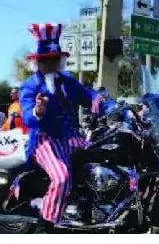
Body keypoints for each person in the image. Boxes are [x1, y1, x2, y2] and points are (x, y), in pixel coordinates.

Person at [19, 23, 102, 229]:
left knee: (102, 158)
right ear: (38, 61)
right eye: (46, 60)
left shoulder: (67, 82)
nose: (51, 63)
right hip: (45, 139)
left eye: (55, 59)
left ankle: (92, 209)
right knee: (62, 177)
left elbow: (87, 95)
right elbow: (28, 116)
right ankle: (46, 225)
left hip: (72, 138)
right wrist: (38, 110)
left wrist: (100, 100)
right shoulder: (30, 85)